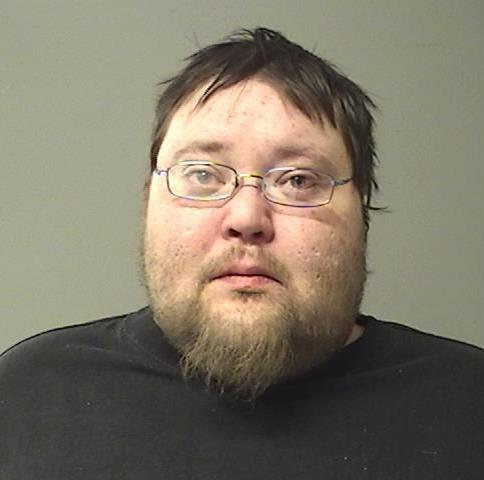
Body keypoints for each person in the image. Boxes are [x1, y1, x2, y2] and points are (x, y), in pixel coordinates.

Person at [1, 27, 483, 480]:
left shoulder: (469, 405)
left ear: (363, 212)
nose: (247, 216)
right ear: (148, 200)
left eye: (298, 180)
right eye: (203, 174)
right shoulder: (27, 398)